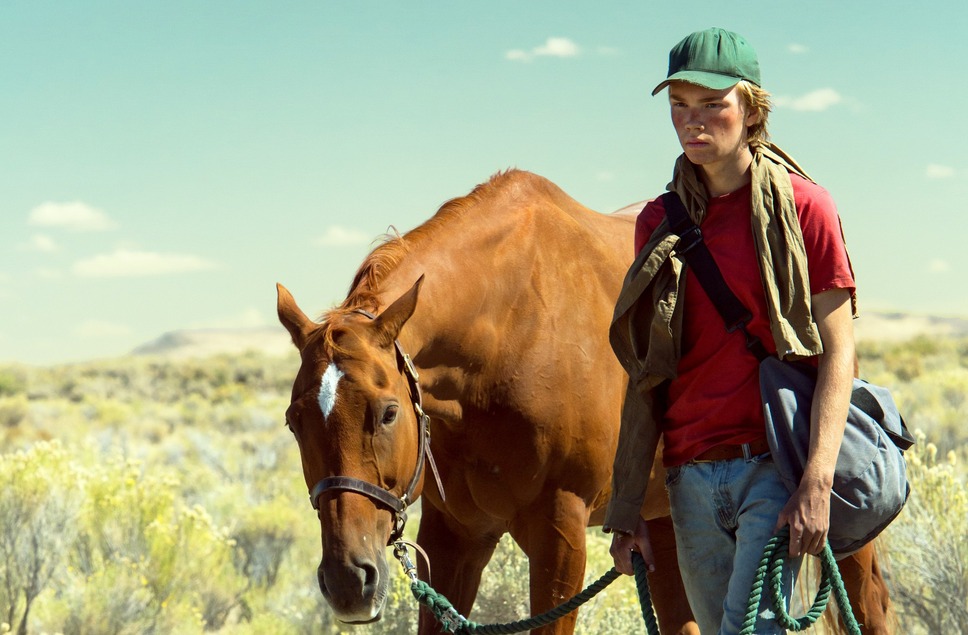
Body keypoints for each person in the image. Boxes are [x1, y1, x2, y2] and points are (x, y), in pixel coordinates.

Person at [603, 27, 857, 634]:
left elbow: (839, 350)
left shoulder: (805, 208)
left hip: (773, 466)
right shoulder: (658, 223)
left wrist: (816, 480)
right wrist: (629, 506)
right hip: (688, 480)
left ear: (752, 108)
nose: (694, 123)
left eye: (713, 105)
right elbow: (646, 373)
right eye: (679, 107)